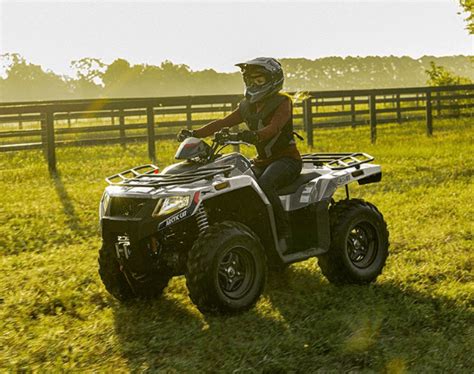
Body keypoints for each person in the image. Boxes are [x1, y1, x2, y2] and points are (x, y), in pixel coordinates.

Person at [177, 57, 302, 249]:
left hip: (286, 160)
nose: (253, 84)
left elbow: (274, 128)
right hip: (261, 161)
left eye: (258, 80)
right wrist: (194, 133)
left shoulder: (282, 102)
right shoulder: (246, 106)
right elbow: (222, 122)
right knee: (237, 185)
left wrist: (252, 135)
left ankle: (283, 233)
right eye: (250, 80)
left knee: (266, 185)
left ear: (273, 79)